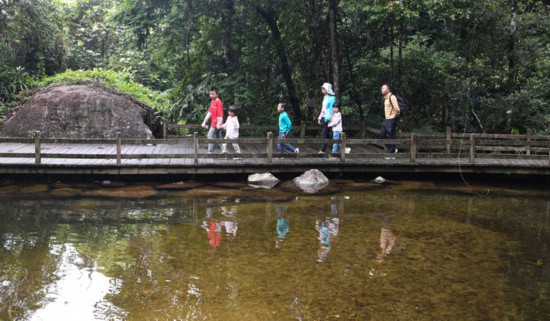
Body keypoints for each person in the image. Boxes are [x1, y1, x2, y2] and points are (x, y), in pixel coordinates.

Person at [201, 87, 224, 154]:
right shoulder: (212, 102)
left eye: (213, 94)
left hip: (217, 123)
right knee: (218, 137)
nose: (211, 95)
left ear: (217, 94)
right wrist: (204, 121)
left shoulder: (218, 102)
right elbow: (209, 113)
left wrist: (219, 124)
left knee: (209, 135)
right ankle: (223, 150)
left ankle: (210, 151)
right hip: (214, 123)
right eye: (210, 94)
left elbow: (220, 114)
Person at [380, 84, 400, 159]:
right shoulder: (386, 98)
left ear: (388, 90)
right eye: (381, 88)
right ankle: (392, 150)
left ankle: (391, 154)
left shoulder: (392, 97)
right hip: (387, 119)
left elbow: (397, 109)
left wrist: (394, 116)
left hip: (391, 119)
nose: (381, 89)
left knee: (391, 136)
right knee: (382, 133)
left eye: (383, 88)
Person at [317, 83, 336, 154]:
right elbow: (323, 108)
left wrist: (331, 120)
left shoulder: (332, 98)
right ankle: (334, 146)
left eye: (324, 88)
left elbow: (332, 109)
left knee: (324, 133)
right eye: (322, 88)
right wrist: (319, 117)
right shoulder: (324, 97)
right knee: (326, 134)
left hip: (329, 118)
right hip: (324, 117)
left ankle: (323, 149)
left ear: (327, 89)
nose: (322, 90)